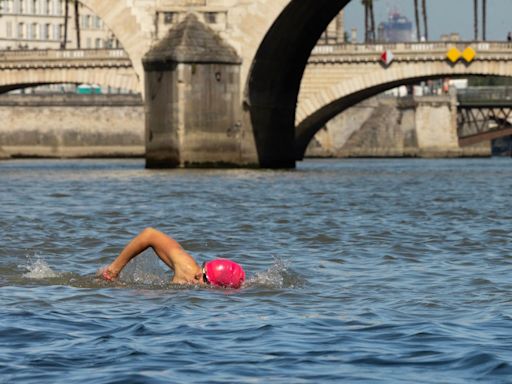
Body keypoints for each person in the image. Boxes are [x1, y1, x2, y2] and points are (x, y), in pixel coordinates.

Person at [99, 227, 245, 288]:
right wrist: (114, 269)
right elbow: (149, 234)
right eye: (203, 268)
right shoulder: (188, 269)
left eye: (204, 277)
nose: (199, 273)